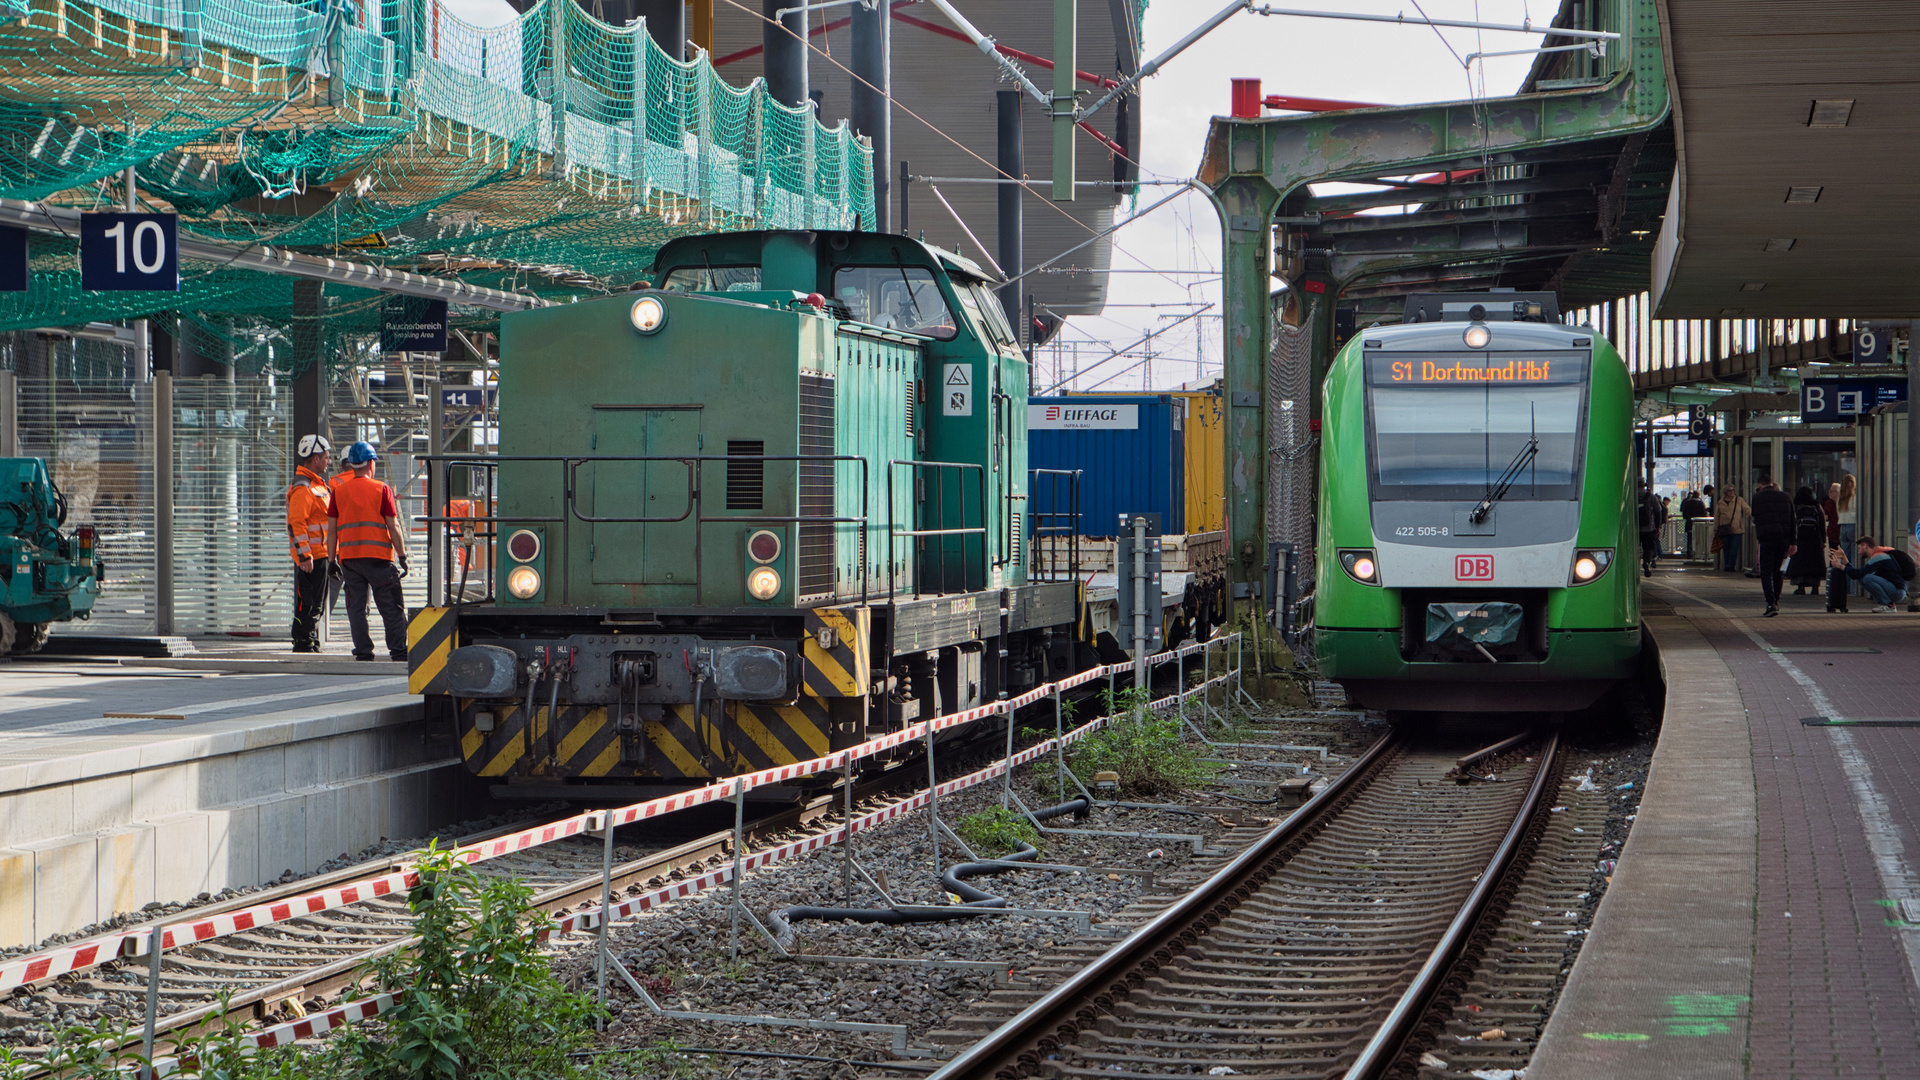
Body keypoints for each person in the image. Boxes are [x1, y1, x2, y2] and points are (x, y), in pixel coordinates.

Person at [327, 441, 410, 661]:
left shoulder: (339, 492)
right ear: (371, 463)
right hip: (379, 560)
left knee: (356, 608)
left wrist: (331, 559)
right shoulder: (381, 489)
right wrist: (402, 556)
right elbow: (394, 526)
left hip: (350, 561)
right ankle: (399, 651)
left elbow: (332, 531)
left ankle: (363, 652)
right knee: (391, 607)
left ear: (352, 465)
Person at [286, 435, 334, 653]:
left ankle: (310, 639)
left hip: (320, 555)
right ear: (315, 458)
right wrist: (305, 556)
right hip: (311, 559)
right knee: (308, 603)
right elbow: (296, 524)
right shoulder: (303, 488)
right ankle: (303, 641)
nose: (329, 461)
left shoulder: (315, 485)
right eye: (326, 457)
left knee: (316, 603)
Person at [1749, 476, 1795, 616]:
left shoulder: (1757, 498)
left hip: (1766, 538)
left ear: (1760, 484)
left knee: (1766, 571)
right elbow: (1792, 520)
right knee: (1778, 571)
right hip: (1783, 538)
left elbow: (1755, 517)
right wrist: (1793, 542)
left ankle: (1770, 603)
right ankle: (1777, 600)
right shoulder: (1786, 497)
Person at [1834, 537, 1909, 612]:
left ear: (1865, 546)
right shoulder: (1878, 556)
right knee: (1863, 578)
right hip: (1895, 589)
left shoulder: (1879, 557)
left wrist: (1840, 566)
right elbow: (1857, 574)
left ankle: (1888, 605)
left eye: (1859, 548)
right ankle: (1887, 604)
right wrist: (1844, 558)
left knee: (1867, 578)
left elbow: (1859, 573)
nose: (1858, 552)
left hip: (1897, 591)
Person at [1786, 487, 1828, 595]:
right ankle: (1815, 587)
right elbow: (1822, 525)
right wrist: (1823, 540)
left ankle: (1801, 586)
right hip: (1815, 539)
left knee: (1800, 562)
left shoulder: (1796, 506)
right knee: (1815, 563)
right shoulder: (1816, 506)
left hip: (1800, 539)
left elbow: (1791, 523)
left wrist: (1790, 539)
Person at [1713, 485, 1750, 573]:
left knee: (1734, 547)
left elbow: (1747, 510)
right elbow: (1717, 516)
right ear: (1725, 492)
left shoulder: (1739, 500)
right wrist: (1716, 528)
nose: (1732, 492)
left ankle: (1731, 565)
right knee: (1726, 548)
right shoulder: (1721, 502)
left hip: (1736, 528)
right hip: (1724, 528)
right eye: (1730, 490)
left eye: (1733, 490)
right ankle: (1727, 564)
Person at [1637, 483, 1662, 576]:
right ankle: (1646, 562)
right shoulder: (1651, 496)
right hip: (1649, 528)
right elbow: (1658, 511)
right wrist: (1657, 525)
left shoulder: (1630, 494)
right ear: (1644, 485)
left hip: (1633, 528)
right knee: (1649, 547)